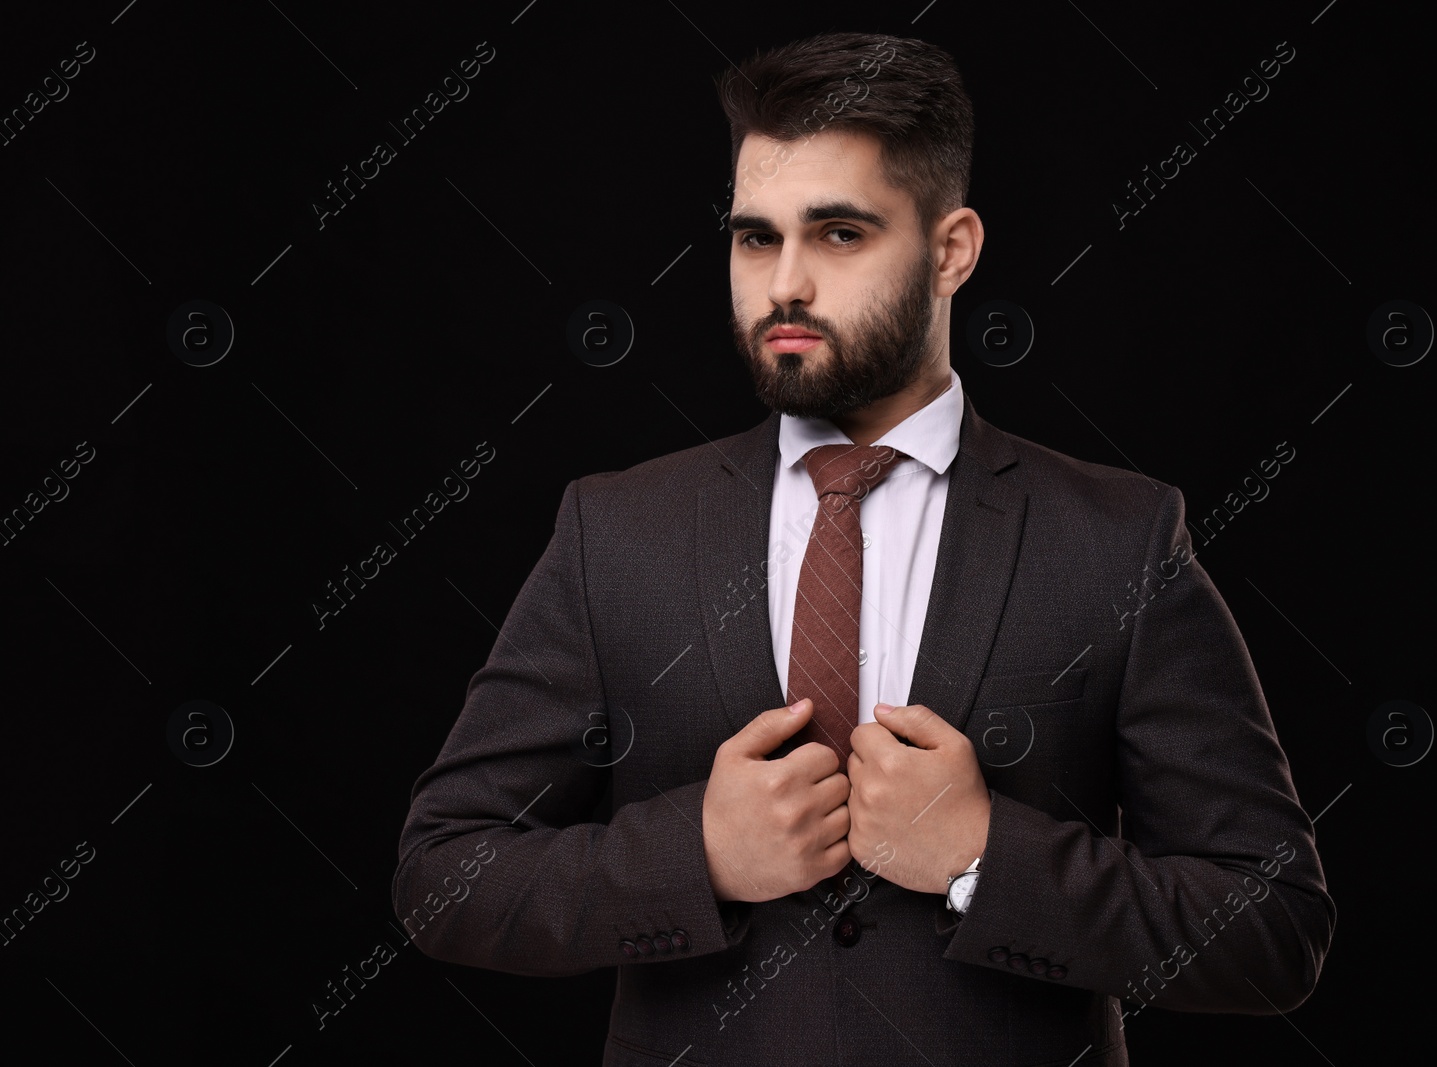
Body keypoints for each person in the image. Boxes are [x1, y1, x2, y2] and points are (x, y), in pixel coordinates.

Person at [392, 30, 1334, 1066]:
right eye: (756, 238)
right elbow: (445, 875)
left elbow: (1272, 928)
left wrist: (985, 857)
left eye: (838, 234)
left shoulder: (1116, 537)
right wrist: (694, 854)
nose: (784, 284)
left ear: (950, 249)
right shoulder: (617, 529)